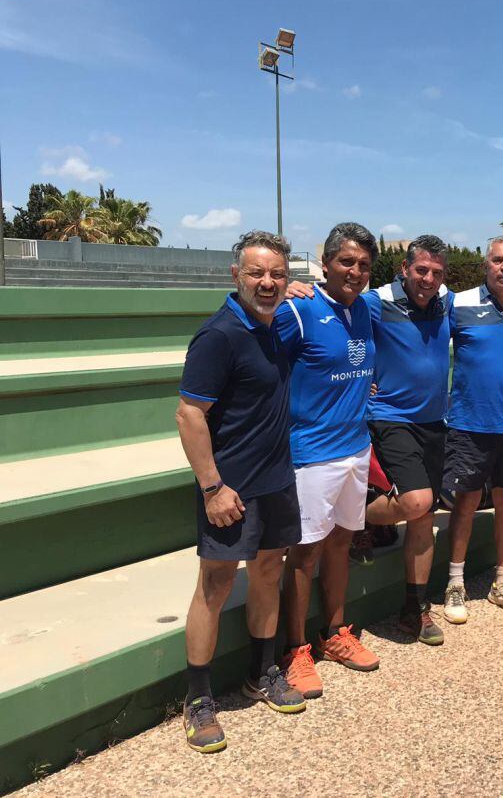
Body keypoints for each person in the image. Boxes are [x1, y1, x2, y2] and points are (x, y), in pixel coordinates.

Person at [176, 230, 305, 754]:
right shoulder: (219, 335)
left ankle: (263, 671)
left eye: (276, 273)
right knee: (215, 584)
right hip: (230, 488)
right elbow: (188, 415)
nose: (267, 282)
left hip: (277, 480)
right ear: (236, 275)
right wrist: (212, 487)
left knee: (269, 573)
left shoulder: (277, 327)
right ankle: (198, 698)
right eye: (256, 273)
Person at [275, 223, 381, 701]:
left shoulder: (366, 310)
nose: (354, 272)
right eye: (346, 262)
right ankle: (295, 650)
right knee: (304, 554)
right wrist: (280, 290)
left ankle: (335, 632)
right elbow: (246, 326)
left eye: (363, 265)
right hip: (311, 454)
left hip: (356, 448)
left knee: (341, 544)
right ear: (327, 263)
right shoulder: (298, 310)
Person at [441, 236, 503, 623]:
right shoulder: (459, 303)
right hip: (468, 423)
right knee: (464, 503)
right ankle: (455, 582)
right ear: (486, 265)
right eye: (497, 260)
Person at [363, 235, 455, 646]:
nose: (428, 278)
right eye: (421, 270)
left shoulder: (447, 301)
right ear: (405, 269)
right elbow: (332, 307)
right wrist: (299, 287)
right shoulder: (377, 301)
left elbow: (491, 294)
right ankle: (354, 517)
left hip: (434, 421)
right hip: (390, 419)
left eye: (436, 272)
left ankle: (414, 609)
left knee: (424, 515)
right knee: (418, 501)